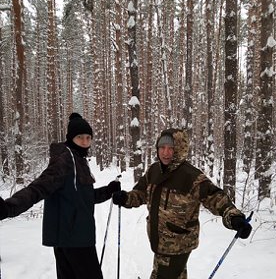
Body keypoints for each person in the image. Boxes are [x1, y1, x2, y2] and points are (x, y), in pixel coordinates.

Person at [112, 128, 252, 279]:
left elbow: (216, 197)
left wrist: (233, 217)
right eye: (162, 147)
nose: (165, 153)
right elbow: (141, 193)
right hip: (159, 242)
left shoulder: (191, 176)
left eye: (171, 148)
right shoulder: (154, 171)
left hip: (178, 244)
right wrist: (125, 198)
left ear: (179, 149)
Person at [0, 112, 121, 279]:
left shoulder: (78, 159)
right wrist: (9, 207)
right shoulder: (65, 160)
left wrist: (108, 190)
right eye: (80, 137)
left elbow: (83, 198)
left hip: (75, 237)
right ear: (71, 138)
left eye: (88, 137)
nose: (85, 142)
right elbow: (39, 187)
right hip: (74, 239)